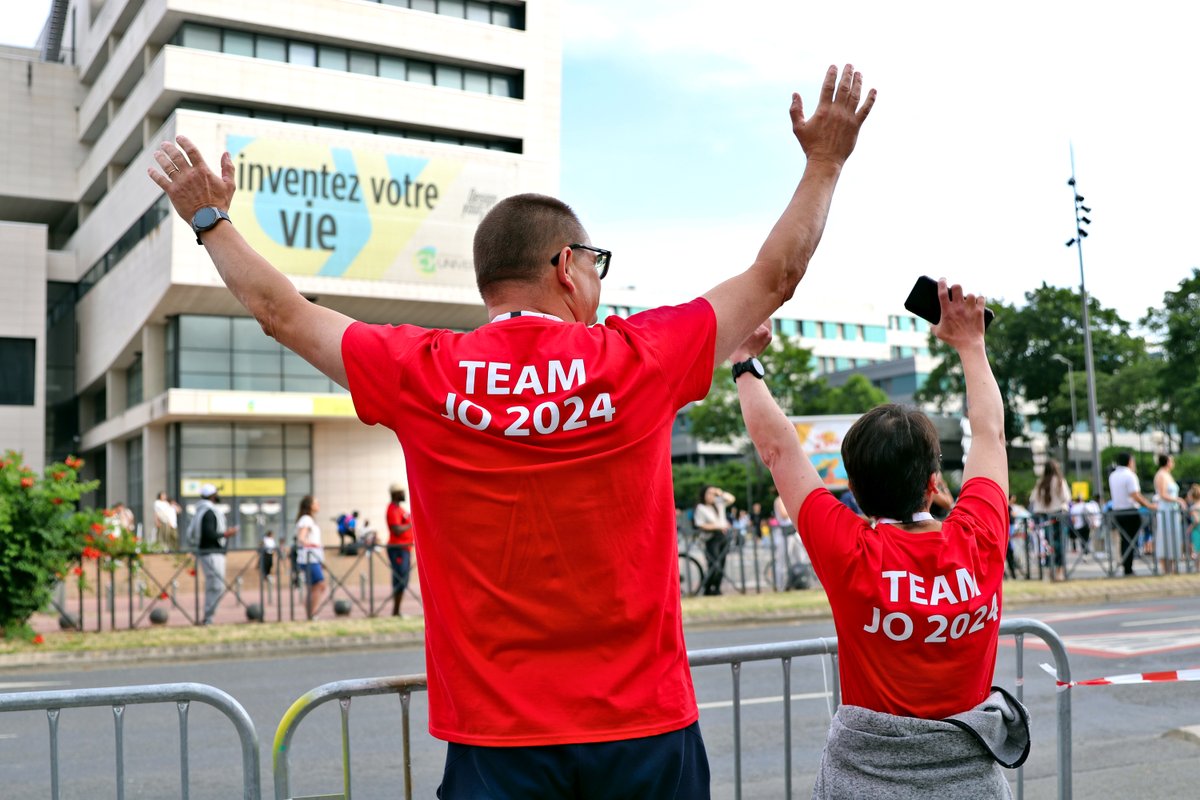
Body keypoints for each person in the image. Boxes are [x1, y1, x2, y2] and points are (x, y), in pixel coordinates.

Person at [147, 62, 874, 798]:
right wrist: (825, 162)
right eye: (595, 264)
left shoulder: (423, 369)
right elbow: (777, 274)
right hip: (645, 730)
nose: (598, 281)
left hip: (499, 742)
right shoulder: (638, 356)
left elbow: (285, 313)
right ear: (566, 266)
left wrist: (211, 219)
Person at [734, 279, 1027, 797]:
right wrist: (971, 344)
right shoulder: (979, 540)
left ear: (853, 487)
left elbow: (778, 449)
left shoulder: (849, 551)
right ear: (934, 485)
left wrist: (743, 361)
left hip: (861, 782)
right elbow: (989, 435)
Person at [184, 483, 237, 625]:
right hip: (212, 553)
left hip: (210, 553)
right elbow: (209, 534)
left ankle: (209, 617)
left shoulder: (202, 511)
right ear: (212, 496)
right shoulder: (208, 512)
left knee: (215, 585)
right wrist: (227, 533)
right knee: (215, 585)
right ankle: (208, 618)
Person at [1109, 453, 1156, 576]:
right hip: (1130, 510)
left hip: (1117, 511)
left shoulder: (1113, 475)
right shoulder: (1130, 475)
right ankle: (1128, 567)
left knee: (1124, 539)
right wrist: (1149, 505)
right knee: (1131, 540)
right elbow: (1135, 495)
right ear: (1129, 461)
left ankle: (1126, 566)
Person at [1029, 460, 1070, 582]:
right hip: (1058, 515)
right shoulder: (1060, 481)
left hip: (1045, 517)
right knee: (1060, 544)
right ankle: (1059, 572)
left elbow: (1033, 499)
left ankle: (1048, 570)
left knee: (1047, 544)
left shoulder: (1041, 482)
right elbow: (1066, 498)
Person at [694, 485, 735, 596]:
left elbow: (731, 498)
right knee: (714, 564)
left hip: (722, 536)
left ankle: (716, 588)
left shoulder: (718, 503)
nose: (711, 496)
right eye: (709, 493)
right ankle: (708, 587)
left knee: (722, 564)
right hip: (711, 537)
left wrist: (719, 492)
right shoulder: (701, 508)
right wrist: (716, 526)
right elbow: (700, 524)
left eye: (713, 493)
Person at [294, 495, 326, 620]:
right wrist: (312, 545)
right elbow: (302, 537)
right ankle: (312, 613)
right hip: (310, 558)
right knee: (319, 584)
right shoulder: (306, 519)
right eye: (316, 503)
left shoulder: (309, 520)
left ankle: (310, 613)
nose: (318, 505)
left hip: (313, 558)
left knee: (314, 586)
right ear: (310, 506)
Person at [386, 484, 415, 617]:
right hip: (398, 548)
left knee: (404, 579)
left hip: (405, 547)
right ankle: (395, 611)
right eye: (402, 492)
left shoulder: (400, 509)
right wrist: (412, 523)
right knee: (400, 579)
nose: (405, 494)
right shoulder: (392, 510)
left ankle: (397, 611)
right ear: (396, 494)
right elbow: (396, 529)